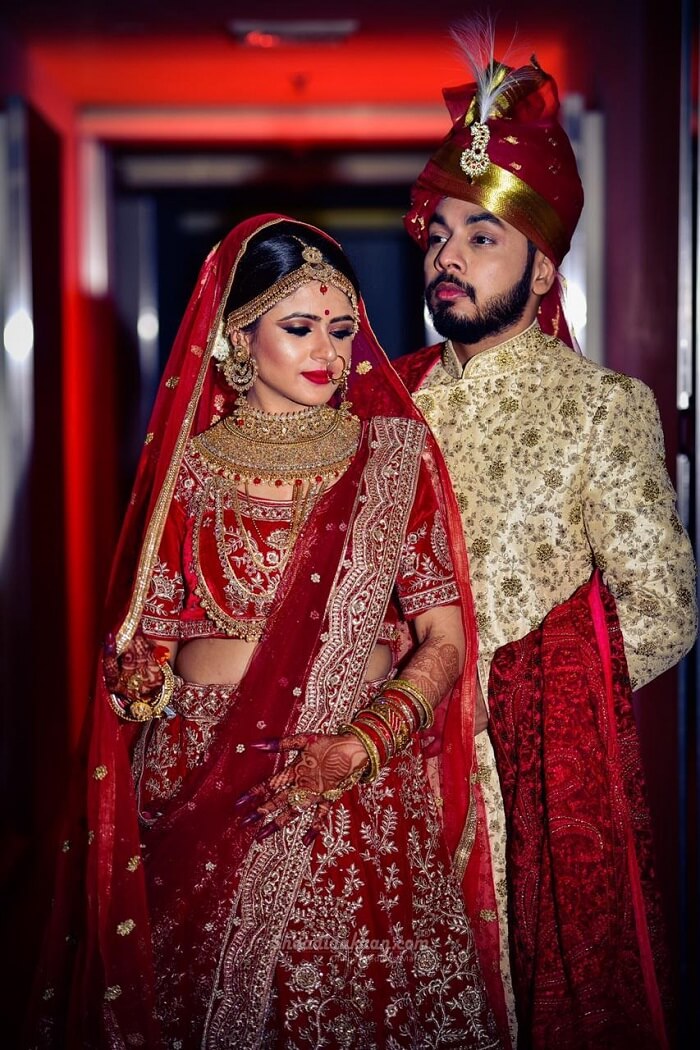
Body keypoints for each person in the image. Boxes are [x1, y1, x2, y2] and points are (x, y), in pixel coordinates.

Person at [29, 214, 506, 1049]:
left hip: (355, 779)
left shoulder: (396, 458)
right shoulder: (190, 467)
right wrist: (136, 679)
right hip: (212, 781)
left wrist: (359, 745)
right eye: (299, 327)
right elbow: (153, 649)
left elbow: (445, 638)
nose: (330, 349)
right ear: (238, 339)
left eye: (343, 328)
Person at [394, 22, 697, 1050]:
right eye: (437, 234)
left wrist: (511, 690)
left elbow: (662, 609)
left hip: (522, 791)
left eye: (482, 237)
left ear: (541, 267)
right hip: (381, 776)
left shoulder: (604, 408)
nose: (448, 257)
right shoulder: (384, 402)